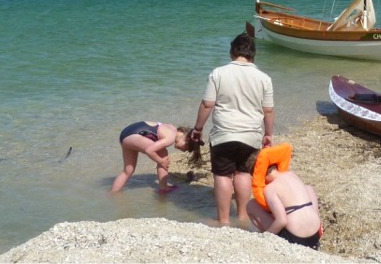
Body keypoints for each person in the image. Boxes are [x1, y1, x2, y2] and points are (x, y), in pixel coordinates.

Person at [190, 32, 275, 227]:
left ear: (231, 52)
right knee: (243, 173)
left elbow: (207, 104)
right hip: (251, 135)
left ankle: (224, 220)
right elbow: (268, 110)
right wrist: (268, 134)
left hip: (224, 134)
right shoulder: (264, 78)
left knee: (223, 175)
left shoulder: (218, 73)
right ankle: (243, 217)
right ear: (253, 54)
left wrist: (198, 128)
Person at [246, 161, 322, 249]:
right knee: (309, 188)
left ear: (259, 174)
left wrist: (266, 237)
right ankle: (316, 241)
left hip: (296, 238)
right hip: (315, 234)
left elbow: (282, 221)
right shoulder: (291, 175)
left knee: (251, 205)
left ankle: (271, 239)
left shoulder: (270, 188)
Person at [111, 121, 201, 194]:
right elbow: (149, 150)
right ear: (187, 140)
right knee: (163, 155)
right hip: (135, 135)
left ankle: (113, 193)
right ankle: (164, 188)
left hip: (125, 135)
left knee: (128, 170)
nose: (183, 151)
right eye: (187, 148)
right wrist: (161, 161)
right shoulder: (171, 137)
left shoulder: (172, 128)